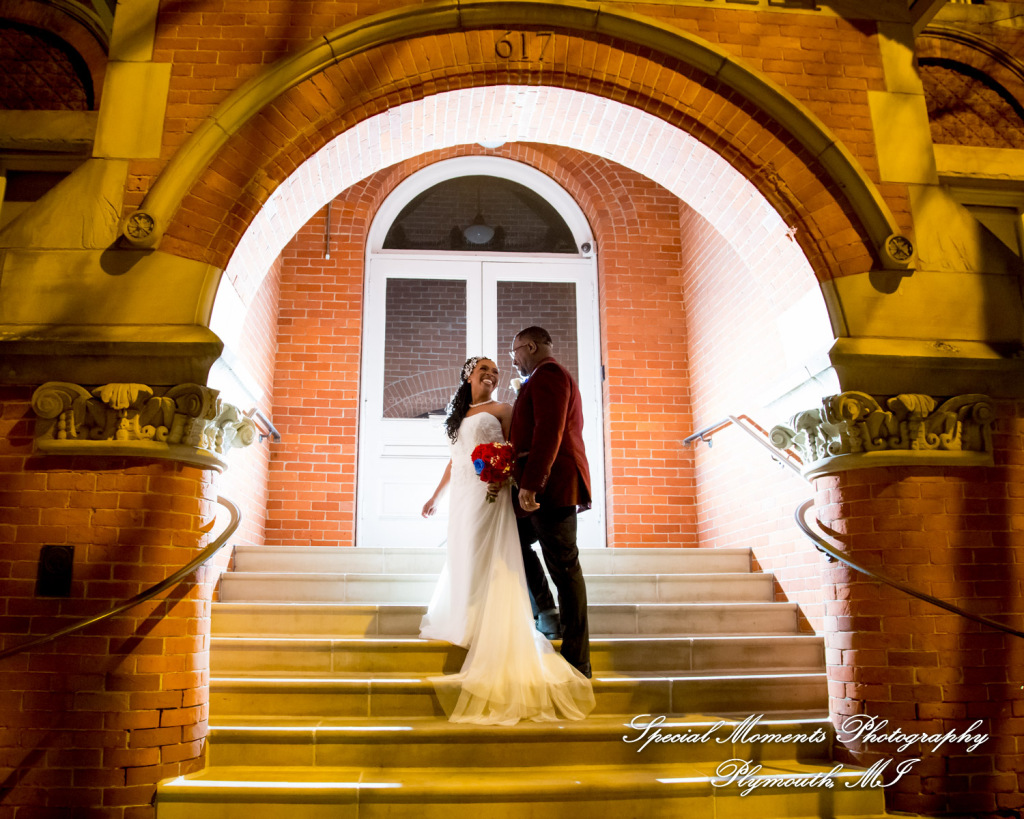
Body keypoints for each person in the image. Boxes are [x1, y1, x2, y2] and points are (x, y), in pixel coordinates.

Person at [419, 355, 595, 725]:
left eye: (496, 371)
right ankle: (468, 615)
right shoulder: (457, 415)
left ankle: (506, 617)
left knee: (493, 552)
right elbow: (455, 460)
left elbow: (516, 449)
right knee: (465, 553)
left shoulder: (504, 409)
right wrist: (435, 497)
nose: (492, 374)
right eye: (483, 369)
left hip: (492, 492)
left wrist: (504, 476)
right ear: (468, 375)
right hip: (464, 495)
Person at [509, 327, 593, 679]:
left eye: (515, 352)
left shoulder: (550, 374)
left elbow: (549, 430)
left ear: (530, 346)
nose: (514, 360)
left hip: (551, 487)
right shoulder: (541, 378)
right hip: (541, 487)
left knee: (565, 569)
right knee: (511, 540)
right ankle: (546, 610)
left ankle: (578, 660)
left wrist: (533, 483)